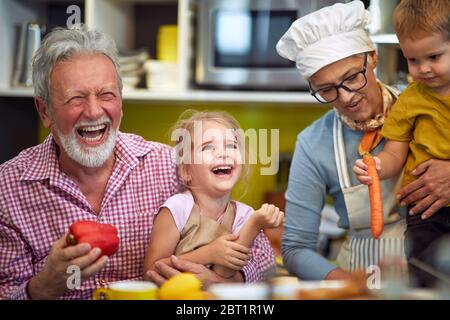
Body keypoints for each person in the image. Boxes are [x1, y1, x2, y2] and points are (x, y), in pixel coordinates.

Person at [0, 26, 275, 300]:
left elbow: (262, 256)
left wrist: (224, 280)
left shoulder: (170, 165)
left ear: (121, 102)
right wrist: (43, 286)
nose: (94, 111)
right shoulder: (9, 188)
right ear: (45, 111)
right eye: (76, 98)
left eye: (106, 95)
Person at [275, 0, 450, 280]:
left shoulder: (427, 103)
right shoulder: (313, 144)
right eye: (327, 89)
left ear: (372, 56)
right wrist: (345, 283)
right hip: (363, 277)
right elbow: (295, 249)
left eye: (352, 77)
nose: (346, 97)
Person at [353, 0, 450, 287]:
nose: (424, 69)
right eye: (413, 60)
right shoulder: (410, 99)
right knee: (423, 276)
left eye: (434, 56)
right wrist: (379, 167)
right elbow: (396, 151)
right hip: (423, 211)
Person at [143, 110, 283, 280]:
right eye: (208, 147)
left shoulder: (244, 215)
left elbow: (224, 272)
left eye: (231, 145)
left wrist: (254, 224)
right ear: (187, 171)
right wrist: (208, 254)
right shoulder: (177, 209)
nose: (223, 153)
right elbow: (150, 273)